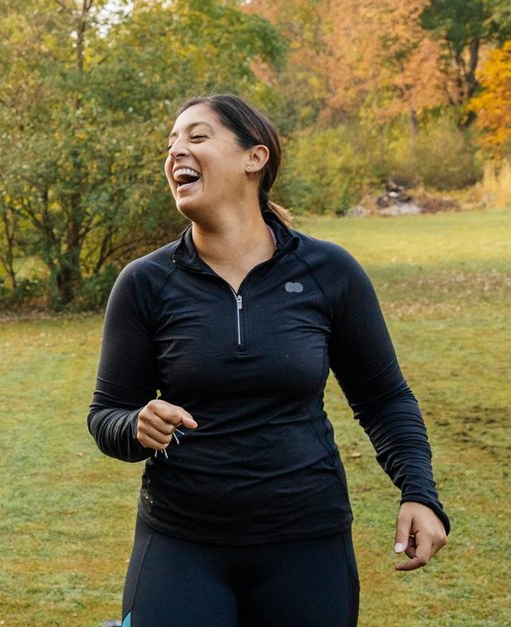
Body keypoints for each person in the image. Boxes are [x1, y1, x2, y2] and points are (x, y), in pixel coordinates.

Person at [86, 95, 451, 626]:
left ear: (254, 158)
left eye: (196, 137)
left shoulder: (329, 271)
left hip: (307, 543)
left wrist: (419, 492)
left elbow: (384, 399)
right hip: (181, 542)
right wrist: (134, 426)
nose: (175, 152)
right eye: (170, 143)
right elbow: (106, 414)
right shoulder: (145, 282)